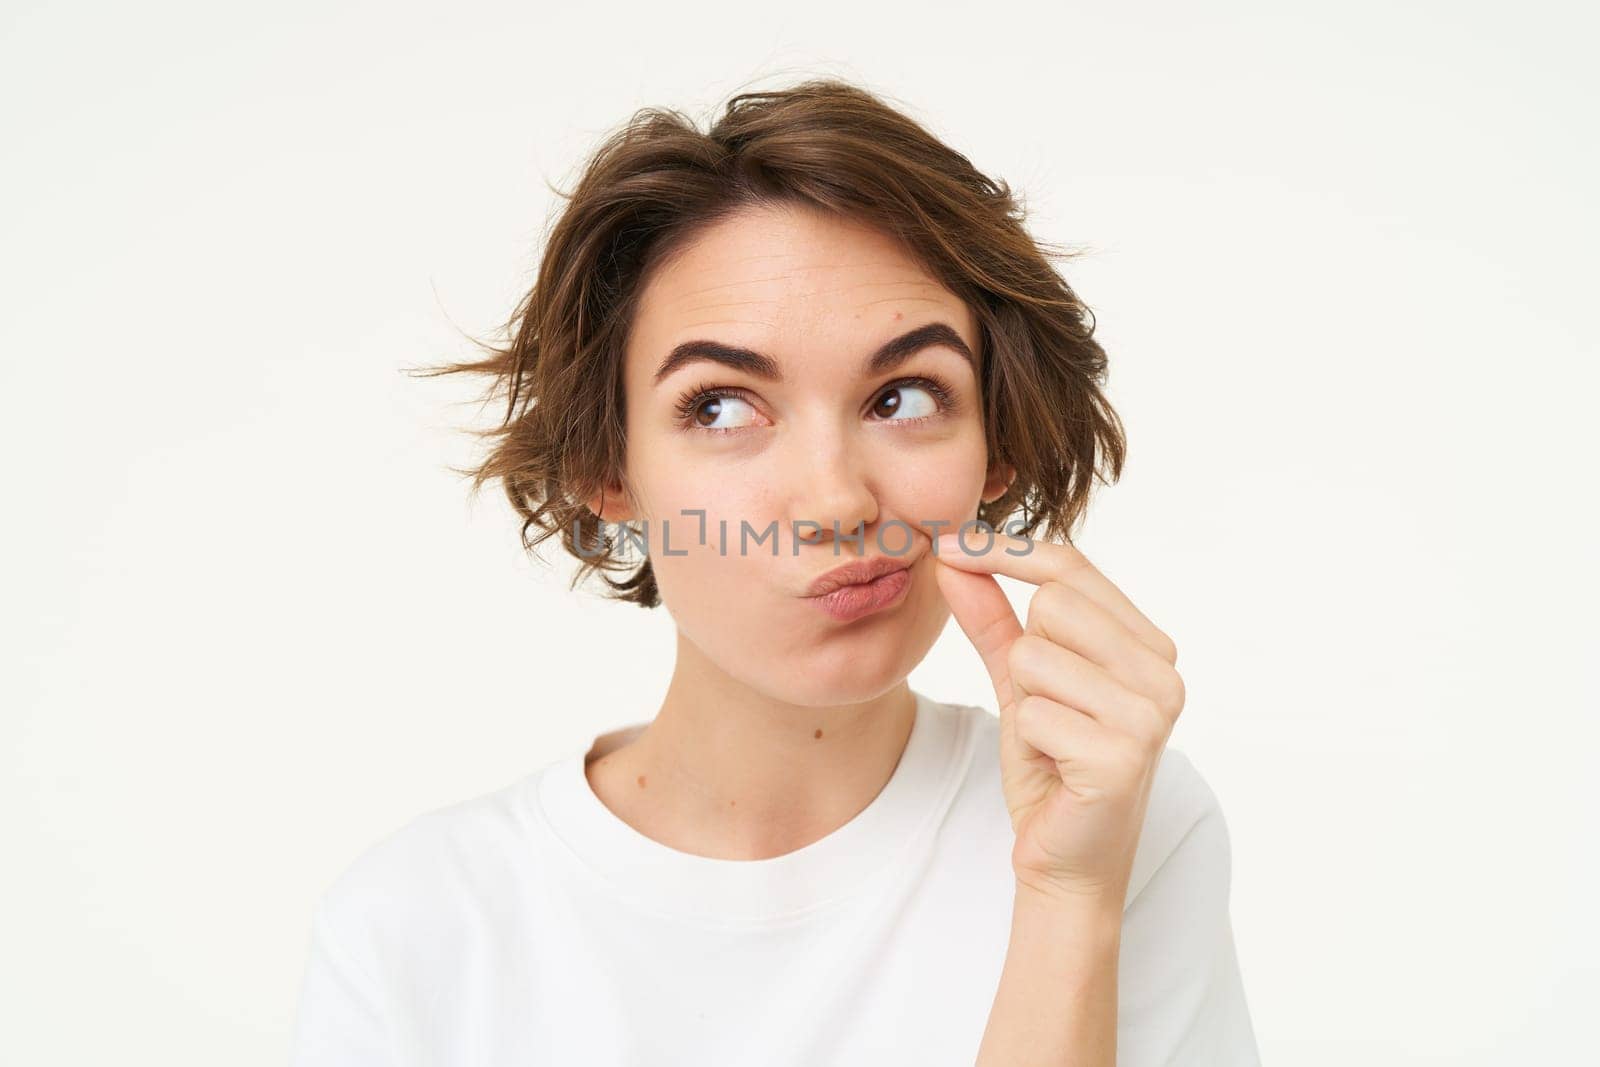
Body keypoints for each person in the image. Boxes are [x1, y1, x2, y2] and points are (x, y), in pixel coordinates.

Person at [290, 78, 1260, 1065]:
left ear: (995, 443)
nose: (839, 501)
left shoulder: (1123, 824)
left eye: (905, 395)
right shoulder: (415, 930)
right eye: (721, 408)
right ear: (605, 468)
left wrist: (1067, 901)